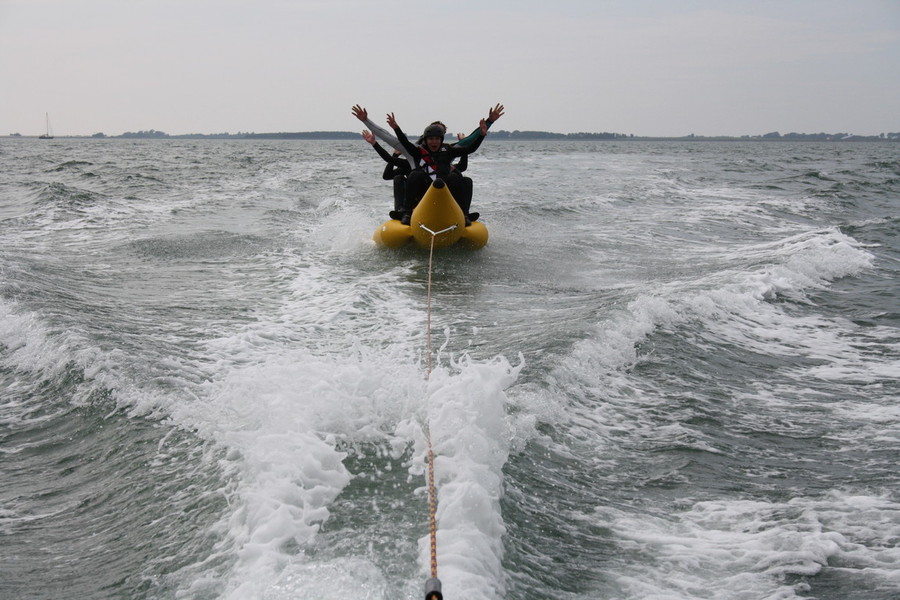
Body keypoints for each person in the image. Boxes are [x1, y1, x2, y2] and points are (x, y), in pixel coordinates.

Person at [387, 111, 496, 225]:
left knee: (463, 179)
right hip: (424, 192)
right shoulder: (419, 152)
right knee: (415, 174)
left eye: (437, 139)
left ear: (441, 140)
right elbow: (405, 143)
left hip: (445, 190)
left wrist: (481, 136)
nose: (434, 142)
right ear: (426, 140)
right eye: (431, 139)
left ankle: (464, 215)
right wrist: (396, 128)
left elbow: (470, 149)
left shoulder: (448, 150)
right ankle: (407, 213)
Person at [361, 129, 410, 217]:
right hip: (412, 199)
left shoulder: (426, 161)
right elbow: (387, 175)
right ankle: (399, 210)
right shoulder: (408, 164)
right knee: (398, 178)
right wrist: (395, 155)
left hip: (427, 194)